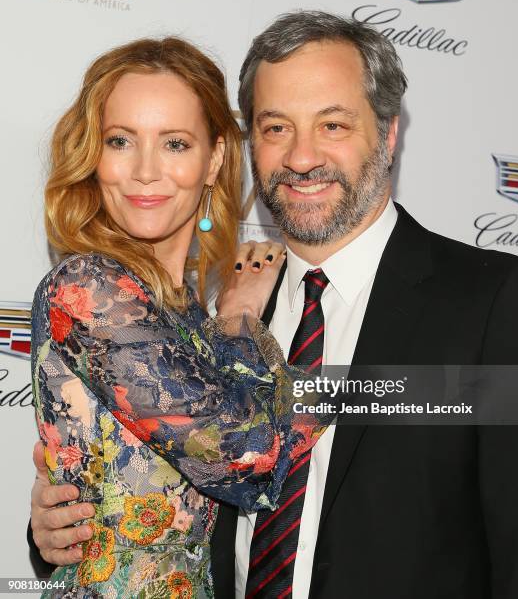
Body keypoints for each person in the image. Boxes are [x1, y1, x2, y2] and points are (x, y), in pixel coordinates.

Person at [29, 12, 518, 599]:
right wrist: (54, 531)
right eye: (275, 128)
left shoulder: (494, 301)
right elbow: (176, 479)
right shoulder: (223, 313)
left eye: (334, 125)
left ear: (389, 133)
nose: (300, 157)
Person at [29, 35, 331, 598]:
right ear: (94, 153)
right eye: (121, 140)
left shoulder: (184, 311)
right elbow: (249, 457)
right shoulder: (88, 290)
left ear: (214, 158)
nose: (145, 171)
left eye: (174, 143)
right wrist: (242, 321)